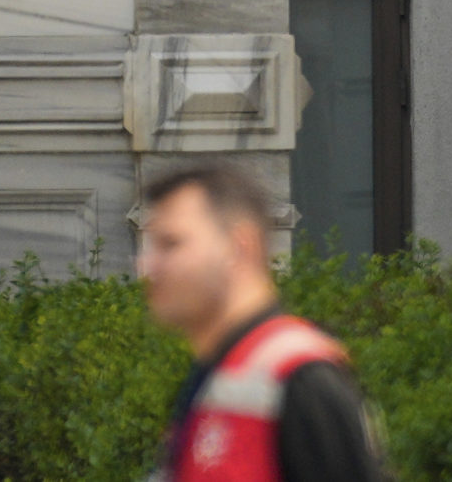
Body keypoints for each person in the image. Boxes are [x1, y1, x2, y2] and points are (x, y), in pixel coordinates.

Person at [137, 161, 386, 482]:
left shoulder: (302, 379)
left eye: (171, 244)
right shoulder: (218, 375)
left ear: (241, 247)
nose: (147, 267)